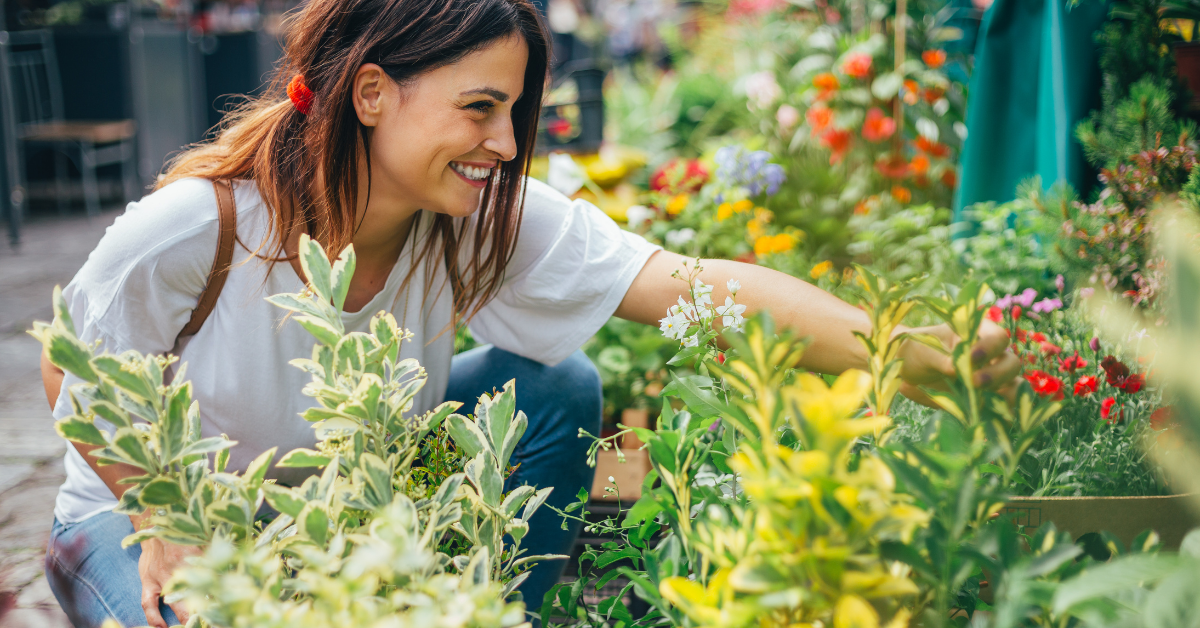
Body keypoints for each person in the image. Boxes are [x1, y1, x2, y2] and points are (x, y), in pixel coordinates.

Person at [38, 0, 1021, 626]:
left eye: (514, 112)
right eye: (479, 108)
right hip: (150, 525)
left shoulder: (471, 217)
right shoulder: (198, 224)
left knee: (554, 387)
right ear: (373, 94)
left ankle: (501, 613)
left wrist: (924, 356)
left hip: (346, 506)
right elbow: (65, 367)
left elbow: (695, 285)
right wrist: (163, 512)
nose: (505, 143)